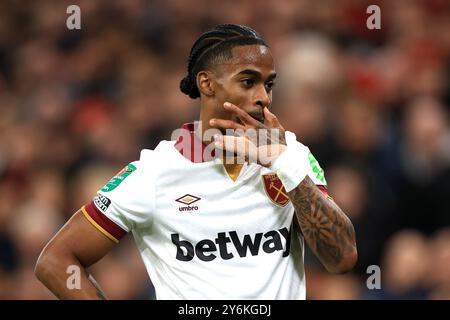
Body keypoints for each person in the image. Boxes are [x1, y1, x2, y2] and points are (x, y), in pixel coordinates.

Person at [35, 24, 357, 299]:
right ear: (207, 84)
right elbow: (56, 260)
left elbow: (341, 258)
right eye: (249, 81)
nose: (264, 97)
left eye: (268, 84)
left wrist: (283, 164)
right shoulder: (155, 173)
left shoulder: (292, 156)